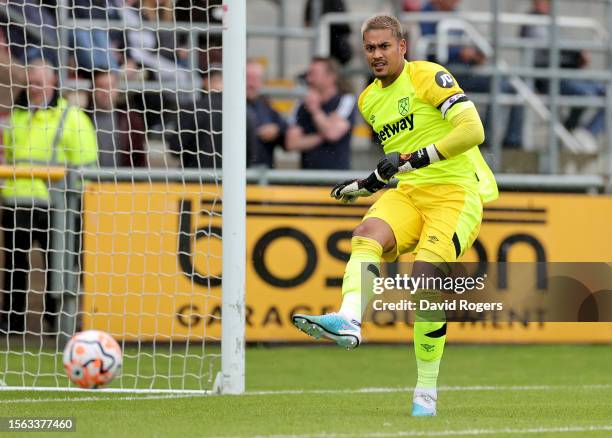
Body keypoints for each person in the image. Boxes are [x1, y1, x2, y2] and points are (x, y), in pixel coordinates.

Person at [292, 14, 497, 417]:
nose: (377, 55)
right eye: (370, 48)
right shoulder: (369, 100)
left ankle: (425, 391)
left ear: (402, 47)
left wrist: (419, 158)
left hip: (455, 193)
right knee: (366, 232)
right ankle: (349, 319)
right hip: (409, 193)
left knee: (423, 282)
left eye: (385, 46)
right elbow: (398, 159)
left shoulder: (427, 76)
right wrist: (367, 183)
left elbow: (473, 131)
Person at [0, 59, 98, 333]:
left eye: (40, 82)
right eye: (31, 82)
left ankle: (57, 320)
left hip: (57, 204)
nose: (35, 88)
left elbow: (87, 164)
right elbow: (9, 155)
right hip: (17, 201)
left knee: (59, 264)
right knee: (15, 266)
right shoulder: (16, 115)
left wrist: (74, 196)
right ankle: (13, 322)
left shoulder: (72, 117)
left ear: (54, 82)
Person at [420, 0, 523, 148]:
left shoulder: (455, 15)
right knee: (497, 84)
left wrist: (474, 56)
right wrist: (459, 53)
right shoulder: (425, 14)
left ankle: (512, 142)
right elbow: (429, 48)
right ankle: (485, 139)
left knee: (512, 86)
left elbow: (463, 45)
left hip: (464, 70)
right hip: (442, 73)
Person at [521, 0, 604, 153]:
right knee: (584, 95)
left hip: (567, 74)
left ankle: (586, 133)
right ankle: (569, 132)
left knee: (606, 91)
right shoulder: (531, 21)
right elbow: (548, 50)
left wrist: (577, 58)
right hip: (547, 77)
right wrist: (576, 55)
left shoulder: (554, 22)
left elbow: (562, 48)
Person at [285, 57, 357, 170]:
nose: (309, 79)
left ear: (331, 77)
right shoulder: (301, 104)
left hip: (337, 179)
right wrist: (324, 133)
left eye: (314, 74)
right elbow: (291, 143)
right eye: (308, 74)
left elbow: (332, 133)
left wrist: (315, 110)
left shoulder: (346, 100)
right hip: (307, 180)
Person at [246, 60, 287, 168]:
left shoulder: (266, 107)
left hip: (261, 177)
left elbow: (286, 131)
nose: (251, 84)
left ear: (262, 82)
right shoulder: (225, 106)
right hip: (233, 175)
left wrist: (277, 130)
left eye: (255, 79)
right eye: (247, 78)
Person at [304, 0, 352, 65]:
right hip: (325, 42)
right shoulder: (312, 2)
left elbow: (344, 26)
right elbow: (307, 24)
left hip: (336, 41)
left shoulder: (336, 2)